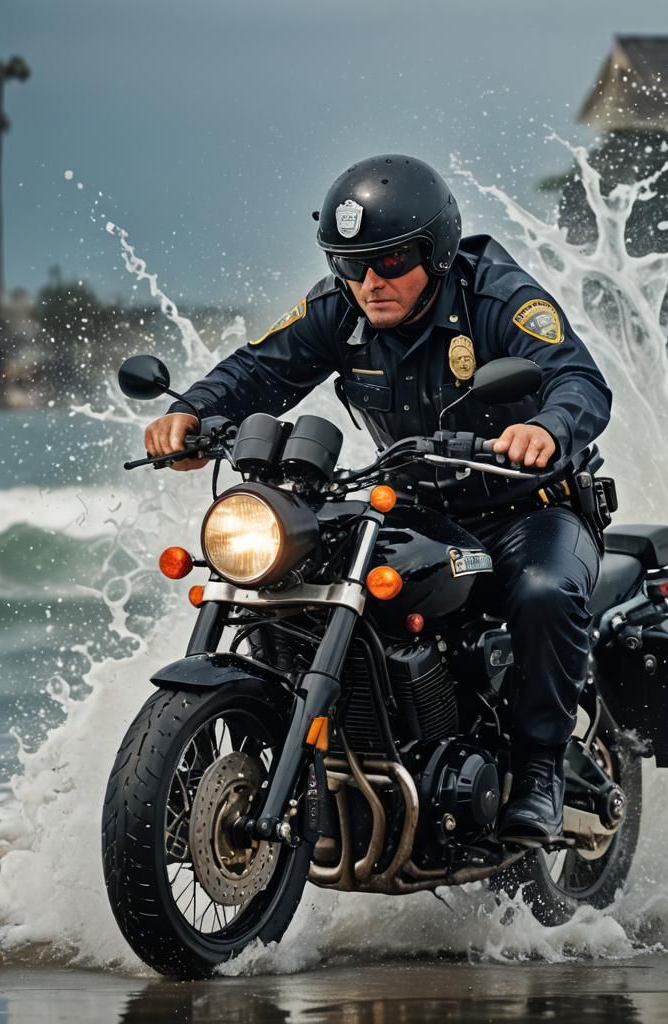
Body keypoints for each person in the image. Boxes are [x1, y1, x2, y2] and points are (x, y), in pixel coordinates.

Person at [144, 154, 612, 845]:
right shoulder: (341, 306)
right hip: (421, 507)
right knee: (305, 574)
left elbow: (578, 381)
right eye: (351, 263)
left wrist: (547, 428)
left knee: (543, 592)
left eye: (390, 261)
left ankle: (540, 772)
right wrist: (192, 412)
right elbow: (260, 368)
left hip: (531, 509)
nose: (370, 282)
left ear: (435, 250)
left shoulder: (497, 297)